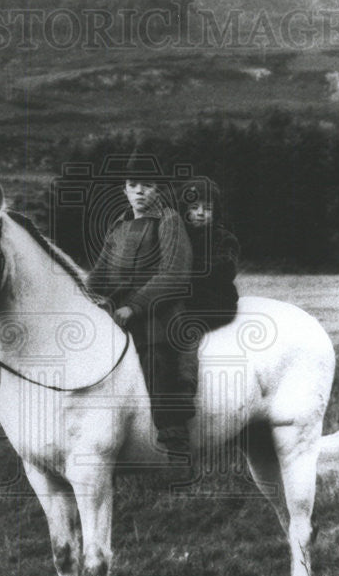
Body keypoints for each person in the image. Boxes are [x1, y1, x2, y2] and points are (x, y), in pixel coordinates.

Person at [87, 175, 194, 461]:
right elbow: (99, 273)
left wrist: (134, 307)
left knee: (156, 359)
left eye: (147, 185)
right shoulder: (119, 225)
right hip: (117, 311)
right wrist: (85, 298)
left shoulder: (168, 221)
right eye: (133, 184)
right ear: (124, 188)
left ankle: (175, 440)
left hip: (158, 312)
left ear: (159, 189)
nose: (139, 191)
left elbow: (174, 274)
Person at [175, 178, 241, 397]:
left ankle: (186, 381)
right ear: (185, 210)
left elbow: (225, 267)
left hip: (215, 300)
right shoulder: (179, 238)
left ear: (216, 212)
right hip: (188, 298)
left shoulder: (223, 238)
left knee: (187, 328)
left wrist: (187, 274)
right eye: (194, 208)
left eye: (208, 208)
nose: (201, 213)